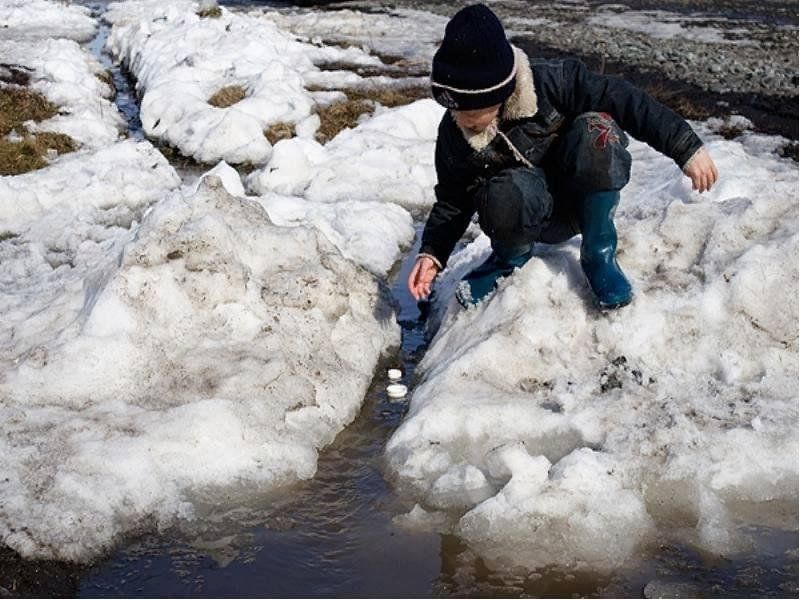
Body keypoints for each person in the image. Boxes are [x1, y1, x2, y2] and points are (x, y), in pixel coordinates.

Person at [407, 3, 718, 309]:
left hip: (580, 203)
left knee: (597, 129)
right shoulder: (455, 131)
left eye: (472, 111)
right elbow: (452, 199)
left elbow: (627, 100)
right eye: (454, 109)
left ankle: (599, 255)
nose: (462, 120)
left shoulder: (554, 82)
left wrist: (684, 146)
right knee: (504, 189)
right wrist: (432, 253)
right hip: (522, 217)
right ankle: (507, 261)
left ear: (500, 93)